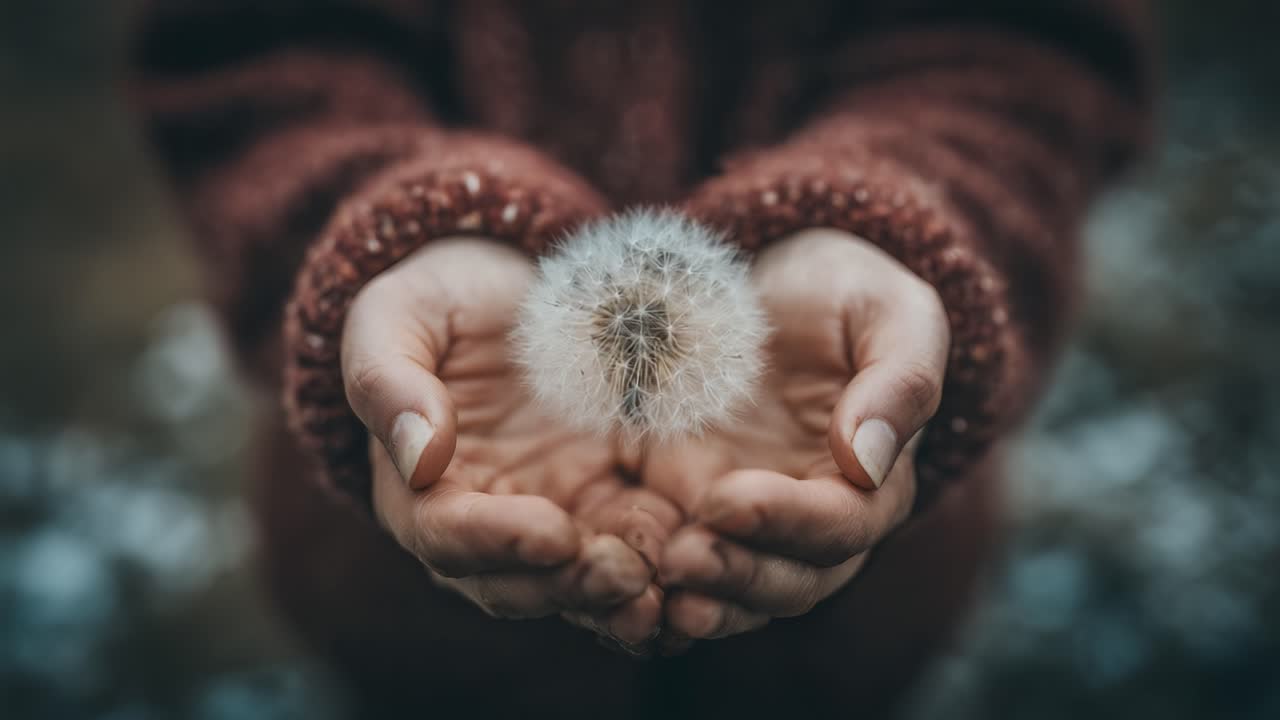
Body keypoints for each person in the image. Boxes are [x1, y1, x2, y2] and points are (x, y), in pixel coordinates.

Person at [128, 1, 1153, 717]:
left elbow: (1021, 41)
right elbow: (253, 47)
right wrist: (405, 229)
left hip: (852, 598)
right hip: (401, 579)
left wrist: (887, 220)